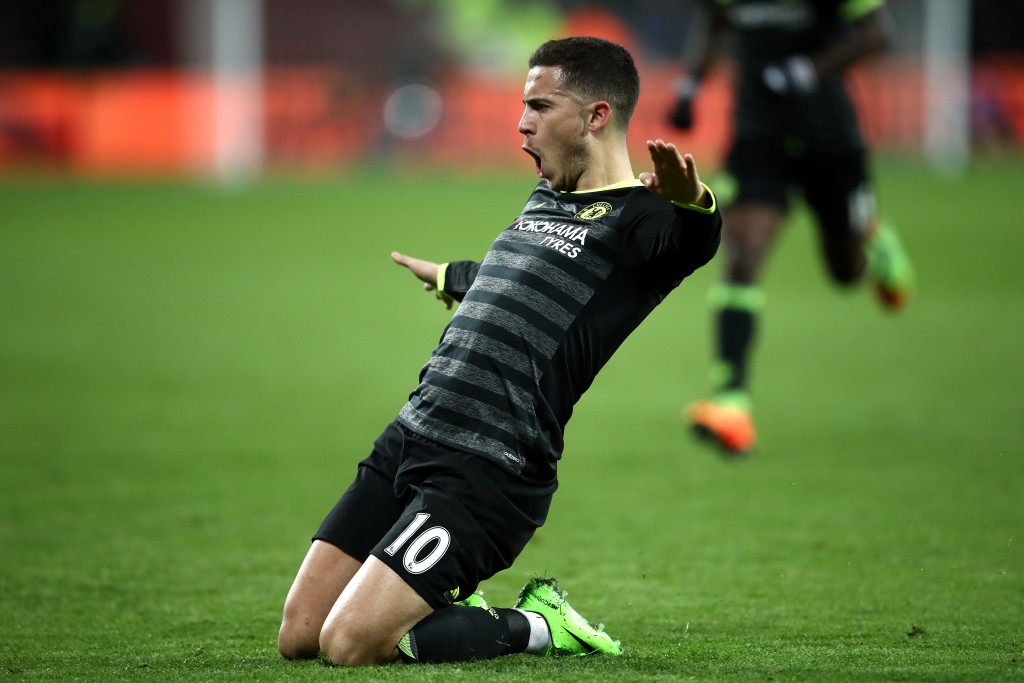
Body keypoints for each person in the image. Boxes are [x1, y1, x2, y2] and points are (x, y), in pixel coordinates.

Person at [276, 36, 722, 667]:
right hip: (413, 434)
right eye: (523, 104)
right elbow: (519, 276)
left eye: (540, 105)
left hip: (490, 467)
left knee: (349, 644)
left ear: (595, 116)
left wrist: (695, 207)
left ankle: (536, 625)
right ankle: (439, 602)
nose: (523, 121)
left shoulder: (639, 220)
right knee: (300, 635)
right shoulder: (548, 196)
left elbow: (690, 246)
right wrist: (452, 278)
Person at [667, 0, 914, 456]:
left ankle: (873, 239)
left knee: (844, 273)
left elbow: (877, 32)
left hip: (830, 137)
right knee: (742, 257)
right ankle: (731, 402)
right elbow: (713, 25)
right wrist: (688, 88)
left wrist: (805, 72)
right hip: (758, 136)